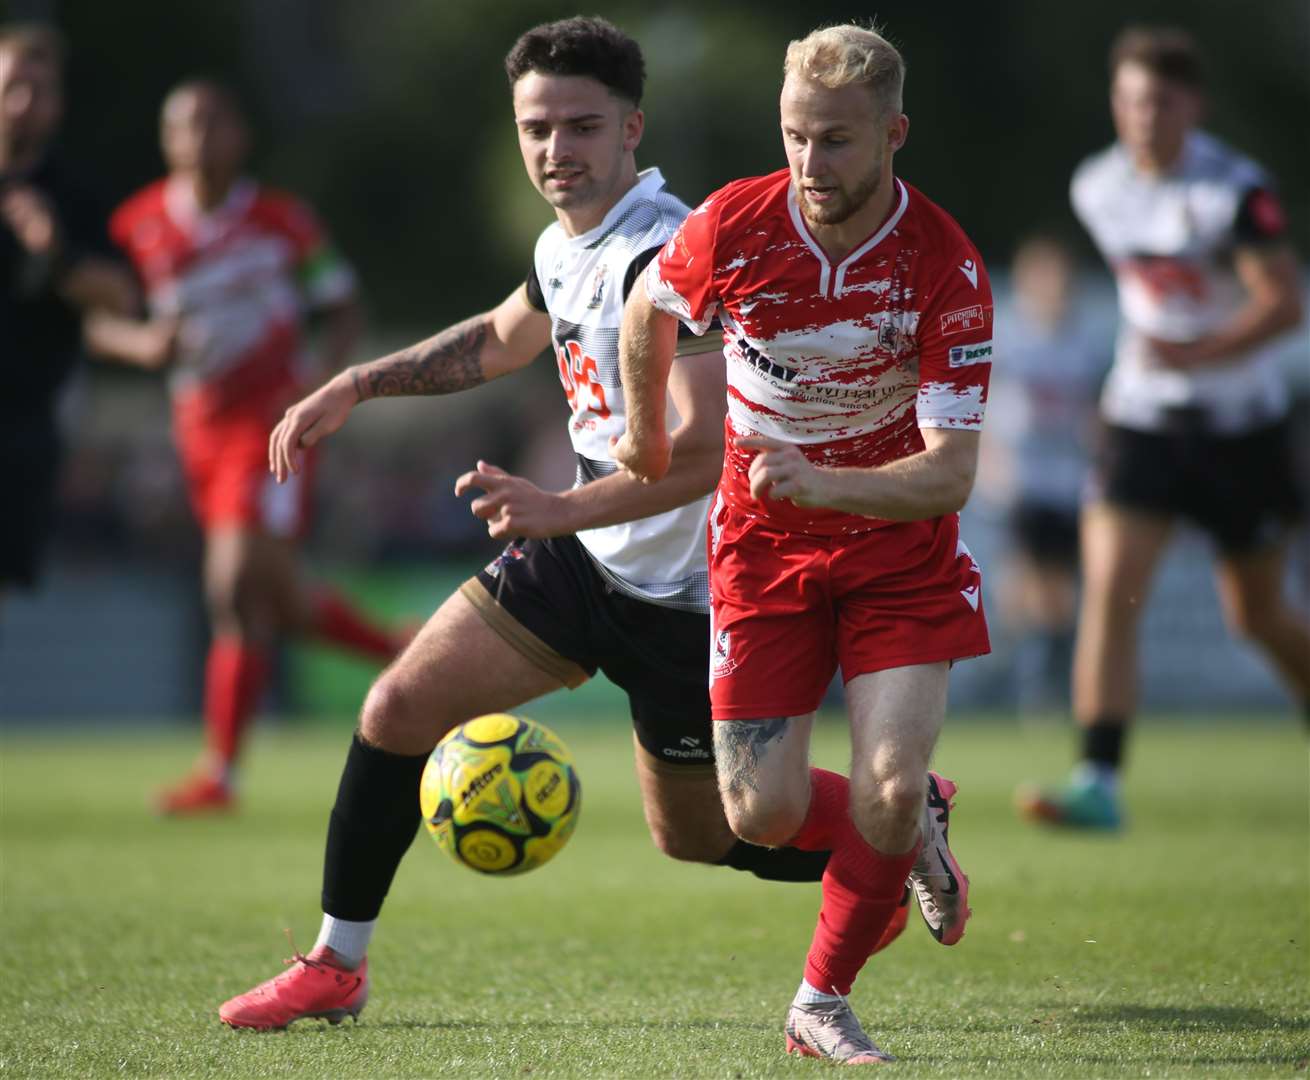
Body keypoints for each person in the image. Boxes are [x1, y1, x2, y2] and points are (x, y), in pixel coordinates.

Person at [216, 16, 923, 1034]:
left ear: (631, 129)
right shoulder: (566, 244)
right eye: (535, 127)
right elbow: (506, 336)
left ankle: (892, 834)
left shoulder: (667, 258)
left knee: (702, 835)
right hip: (579, 562)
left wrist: (552, 507)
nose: (556, 149)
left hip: (693, 601)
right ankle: (336, 961)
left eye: (580, 126)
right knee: (396, 708)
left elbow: (695, 457)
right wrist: (356, 384)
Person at [614, 23, 990, 1065]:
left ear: (891, 134)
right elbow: (649, 311)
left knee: (882, 780)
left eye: (833, 142)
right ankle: (913, 824)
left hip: (897, 555)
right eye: (793, 137)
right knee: (760, 813)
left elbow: (951, 472)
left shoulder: (942, 265)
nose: (808, 166)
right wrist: (644, 436)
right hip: (760, 549)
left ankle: (819, 1000)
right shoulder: (734, 222)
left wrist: (823, 480)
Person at [85, 80, 408, 814]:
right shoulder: (138, 224)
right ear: (166, 140)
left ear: (239, 135)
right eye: (183, 126)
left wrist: (325, 390)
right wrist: (141, 344)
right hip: (195, 426)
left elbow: (344, 303)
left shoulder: (281, 222)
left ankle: (220, 773)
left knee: (232, 584)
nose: (197, 138)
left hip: (270, 426)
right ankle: (403, 652)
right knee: (278, 601)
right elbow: (98, 322)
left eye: (211, 123)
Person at [1016, 26, 1308, 830]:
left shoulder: (1233, 191)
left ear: (1194, 106)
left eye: (1162, 102)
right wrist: (1163, 359)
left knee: (1258, 615)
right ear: (1116, 102)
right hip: (1142, 418)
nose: (1145, 116)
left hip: (1240, 424)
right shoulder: (1096, 187)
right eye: (1132, 99)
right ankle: (1098, 781)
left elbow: (1283, 302)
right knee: (1110, 589)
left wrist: (1201, 350)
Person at [1, 23, 135, 610]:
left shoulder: (73, 196)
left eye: (40, 90)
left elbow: (122, 298)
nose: (25, 104)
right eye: (12, 87)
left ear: (58, 103)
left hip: (23, 423)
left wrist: (55, 252)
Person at [982, 235, 1107, 712]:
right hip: (1023, 478)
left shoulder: (1085, 343)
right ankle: (1031, 672)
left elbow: (1096, 408)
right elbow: (983, 397)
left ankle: (1043, 669)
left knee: (1061, 588)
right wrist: (990, 457)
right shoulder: (1009, 336)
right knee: (1027, 581)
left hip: (1069, 481)